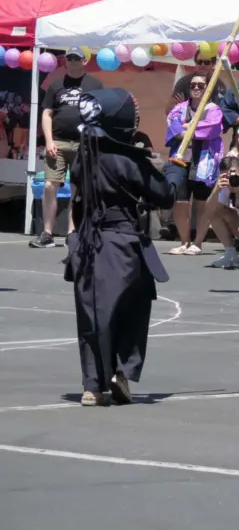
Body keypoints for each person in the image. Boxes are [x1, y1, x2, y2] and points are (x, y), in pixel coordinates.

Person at [64, 88, 185, 406]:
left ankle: (93, 384)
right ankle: (121, 372)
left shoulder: (86, 155)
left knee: (93, 315)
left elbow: (77, 199)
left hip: (89, 244)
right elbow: (165, 195)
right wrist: (175, 167)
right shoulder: (131, 160)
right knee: (130, 311)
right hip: (124, 243)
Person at [31, 48, 104, 248]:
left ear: (84, 61)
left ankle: (73, 232)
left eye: (76, 58)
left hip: (83, 143)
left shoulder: (95, 84)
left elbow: (98, 114)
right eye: (69, 58)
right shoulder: (56, 85)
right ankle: (47, 232)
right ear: (65, 61)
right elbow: (47, 114)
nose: (72, 61)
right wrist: (48, 141)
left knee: (78, 189)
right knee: (49, 185)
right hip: (59, 142)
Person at [165, 72, 224, 256]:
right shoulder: (181, 107)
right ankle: (184, 241)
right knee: (180, 201)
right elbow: (172, 122)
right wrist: (182, 132)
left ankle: (198, 242)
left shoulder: (213, 109)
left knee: (202, 202)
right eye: (193, 85)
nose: (196, 88)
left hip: (203, 159)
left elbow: (211, 127)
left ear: (207, 88)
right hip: (181, 157)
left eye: (200, 85)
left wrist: (188, 128)